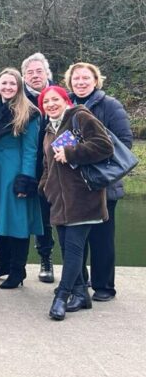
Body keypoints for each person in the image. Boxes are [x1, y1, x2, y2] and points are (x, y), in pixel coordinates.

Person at [37, 86, 114, 320]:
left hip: (83, 198)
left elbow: (105, 146)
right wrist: (45, 188)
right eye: (45, 102)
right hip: (59, 201)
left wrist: (71, 153)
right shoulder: (50, 129)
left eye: (55, 99)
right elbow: (48, 165)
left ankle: (61, 296)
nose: (50, 104)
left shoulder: (80, 116)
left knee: (73, 250)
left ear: (65, 100)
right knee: (67, 249)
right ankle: (81, 294)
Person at [65, 62, 133, 302]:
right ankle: (78, 284)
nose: (81, 83)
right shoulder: (66, 106)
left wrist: (82, 155)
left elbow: (123, 142)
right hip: (74, 186)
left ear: (96, 80)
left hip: (104, 184)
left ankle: (104, 285)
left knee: (102, 238)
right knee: (76, 240)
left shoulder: (110, 105)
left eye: (85, 78)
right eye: (76, 79)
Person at [0, 68, 44, 289]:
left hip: (14, 171)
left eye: (12, 84)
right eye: (3, 83)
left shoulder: (30, 112)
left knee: (16, 220)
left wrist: (25, 178)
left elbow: (31, 150)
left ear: (19, 86)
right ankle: (3, 264)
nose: (7, 87)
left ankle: (18, 271)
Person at [21, 52, 56, 283]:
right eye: (30, 72)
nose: (35, 76)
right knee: (29, 217)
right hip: (28, 168)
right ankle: (20, 265)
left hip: (56, 167)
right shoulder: (18, 98)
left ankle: (55, 263)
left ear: (47, 73)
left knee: (55, 217)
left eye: (38, 71)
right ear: (24, 76)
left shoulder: (58, 96)